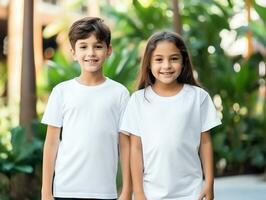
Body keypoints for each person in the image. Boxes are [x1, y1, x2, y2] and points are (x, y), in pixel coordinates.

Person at [120, 31, 221, 200]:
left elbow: (205, 142)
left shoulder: (198, 97)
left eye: (174, 58)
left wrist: (209, 183)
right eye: (159, 59)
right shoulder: (138, 100)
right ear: (148, 64)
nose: (166, 66)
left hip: (191, 192)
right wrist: (138, 192)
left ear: (183, 62)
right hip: (151, 193)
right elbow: (135, 149)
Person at [41, 17, 131, 200]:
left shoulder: (119, 93)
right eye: (83, 47)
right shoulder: (62, 92)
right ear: (73, 53)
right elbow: (51, 143)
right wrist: (46, 191)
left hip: (104, 192)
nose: (91, 52)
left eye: (98, 46)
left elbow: (125, 145)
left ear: (108, 50)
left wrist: (127, 190)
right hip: (65, 190)